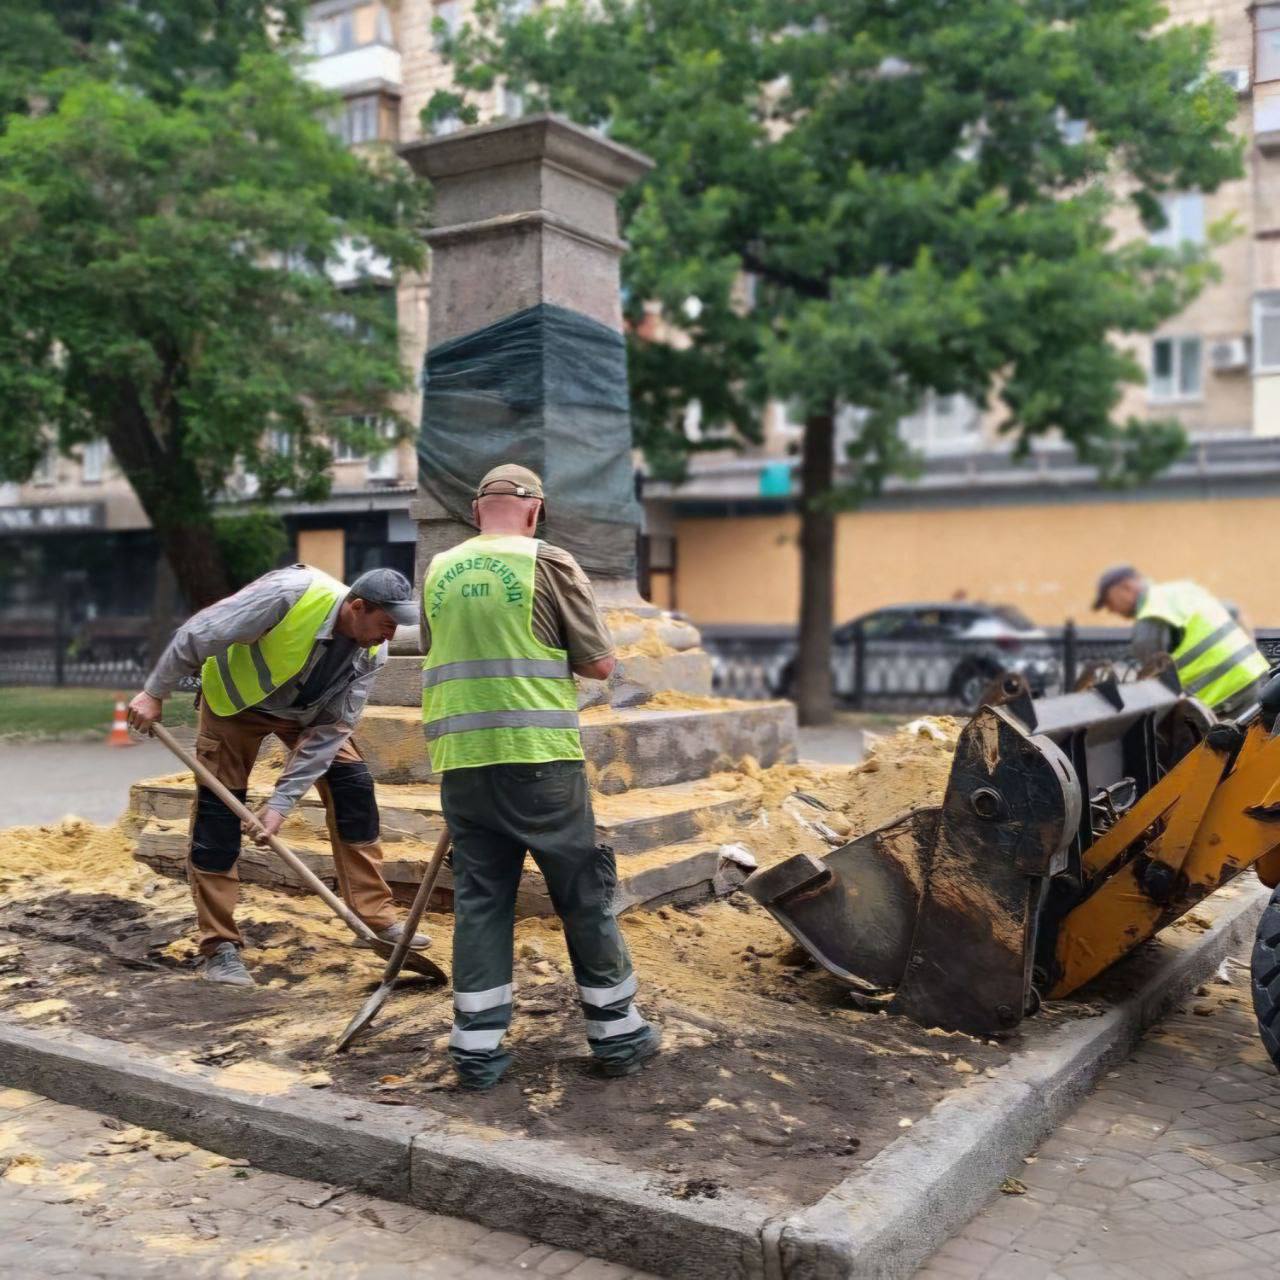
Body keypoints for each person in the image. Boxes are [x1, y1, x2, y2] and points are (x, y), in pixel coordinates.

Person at [420, 463, 659, 1090]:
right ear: (534, 511)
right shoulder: (547, 563)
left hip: (462, 765)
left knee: (480, 900)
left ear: (476, 513)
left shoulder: (439, 570)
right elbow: (600, 662)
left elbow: (440, 650)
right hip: (538, 759)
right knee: (581, 892)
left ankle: (477, 1053)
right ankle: (619, 1037)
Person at [127, 565, 427, 986]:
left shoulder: (372, 652)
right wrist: (154, 692)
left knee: (353, 785)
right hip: (235, 705)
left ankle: (374, 920)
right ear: (357, 607)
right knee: (218, 814)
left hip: (306, 714)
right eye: (387, 624)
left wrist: (280, 806)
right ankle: (219, 947)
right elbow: (199, 634)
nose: (391, 637)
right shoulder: (289, 595)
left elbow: (330, 733)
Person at [1093, 565, 1270, 717]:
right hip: (1258, 678)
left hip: (1224, 699)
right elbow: (1236, 612)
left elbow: (1154, 686)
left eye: (1109, 601)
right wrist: (1249, 656)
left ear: (1126, 587)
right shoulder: (1183, 590)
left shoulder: (1150, 617)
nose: (1110, 610)